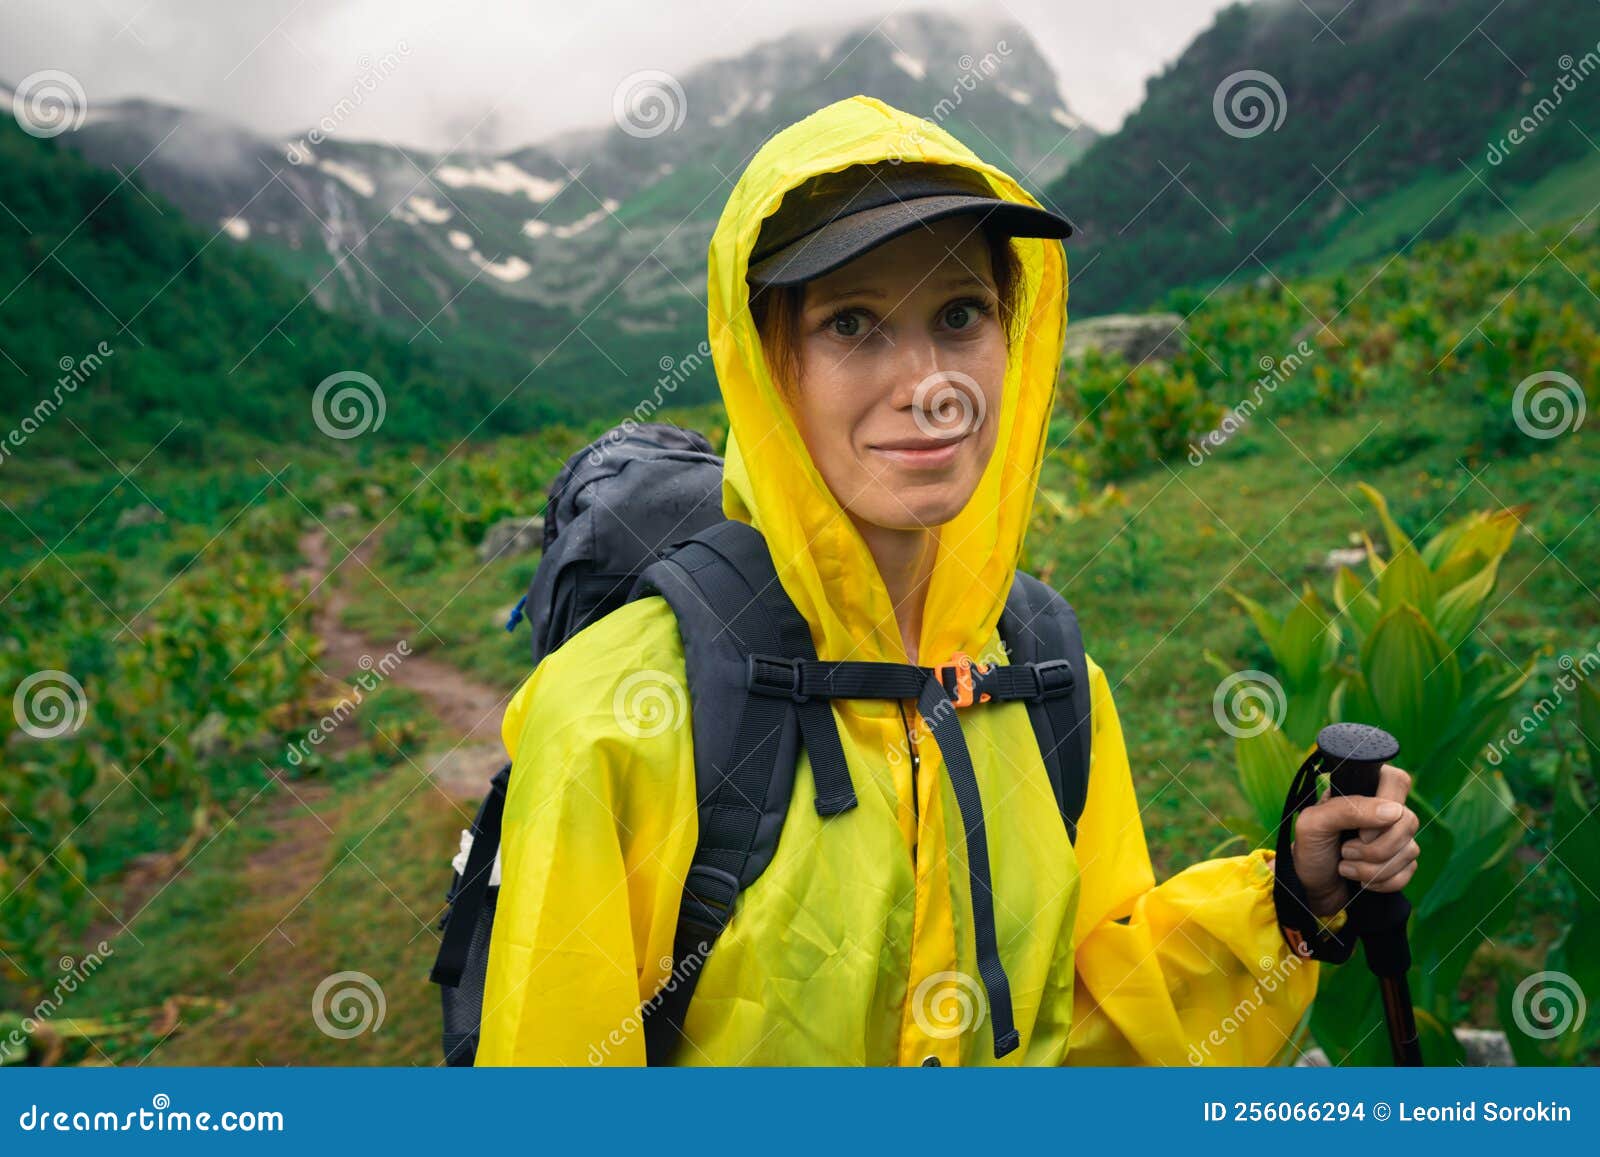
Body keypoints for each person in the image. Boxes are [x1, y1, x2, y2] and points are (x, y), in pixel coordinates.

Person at [474, 95, 1420, 1066]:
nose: (929, 384)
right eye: (852, 323)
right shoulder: (611, 713)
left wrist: (1293, 899)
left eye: (960, 313)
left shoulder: (1050, 677)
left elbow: (1091, 1019)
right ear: (768, 361)